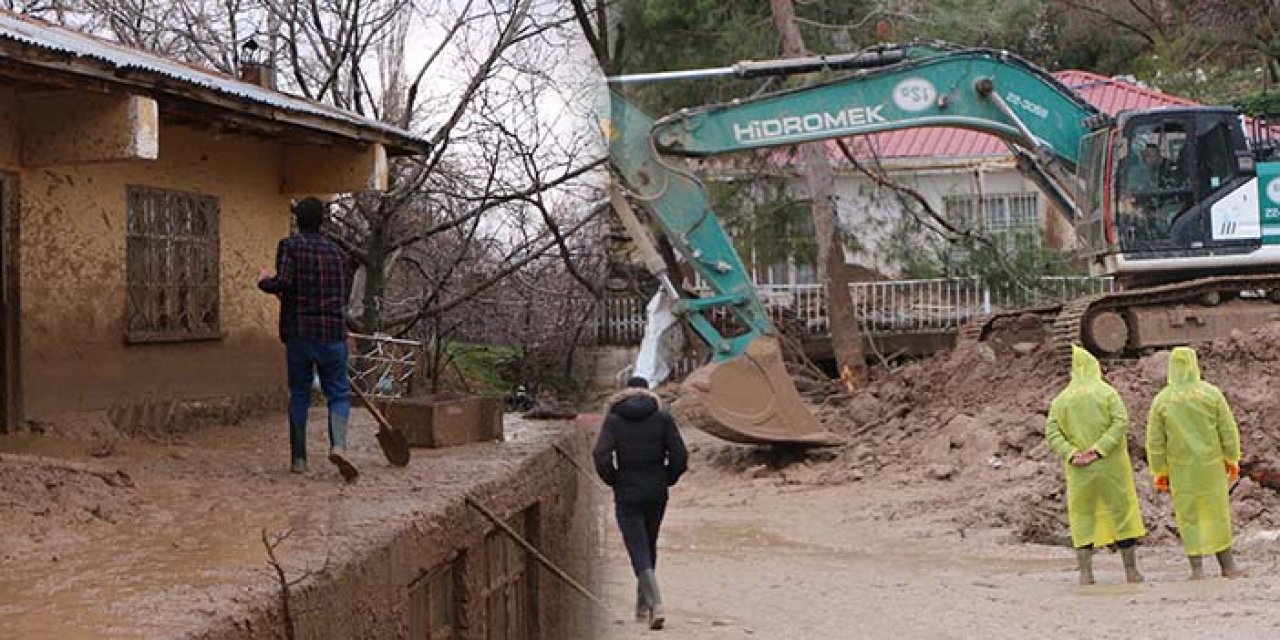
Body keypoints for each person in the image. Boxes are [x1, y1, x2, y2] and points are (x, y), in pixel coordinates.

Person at [258, 197, 358, 482]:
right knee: (338, 393)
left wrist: (264, 281)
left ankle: (299, 460)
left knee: (300, 393)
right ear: (322, 221)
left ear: (297, 220)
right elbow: (340, 297)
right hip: (333, 334)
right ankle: (338, 445)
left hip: (300, 334)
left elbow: (286, 283)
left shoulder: (290, 246)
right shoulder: (338, 254)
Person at [1045, 346, 1147, 585]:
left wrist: (1072, 454)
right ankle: (1131, 572)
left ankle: (1086, 574)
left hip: (1080, 471)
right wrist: (1100, 448)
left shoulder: (1061, 400)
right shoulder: (1107, 394)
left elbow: (1052, 432)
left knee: (1082, 517)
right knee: (1122, 513)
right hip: (1111, 468)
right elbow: (1120, 422)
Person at [593, 376, 688, 630]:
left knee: (637, 546)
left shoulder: (613, 420)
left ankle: (656, 604)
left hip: (627, 491)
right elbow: (680, 455)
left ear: (624, 393)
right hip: (656, 491)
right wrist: (668, 478)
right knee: (649, 541)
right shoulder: (663, 418)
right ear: (648, 394)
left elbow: (600, 455)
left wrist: (613, 479)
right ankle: (642, 607)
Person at [1146, 346, 1243, 579]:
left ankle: (1197, 569)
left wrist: (1159, 471)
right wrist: (1232, 458)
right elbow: (1228, 430)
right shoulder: (1211, 394)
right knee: (1217, 513)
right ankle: (1228, 567)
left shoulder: (1162, 400)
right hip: (1211, 466)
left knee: (1188, 516)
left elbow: (1155, 441)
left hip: (1182, 470)